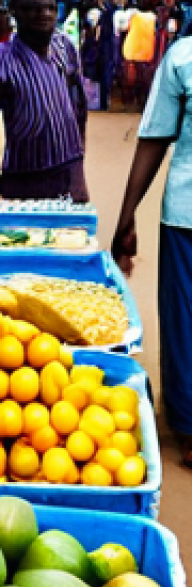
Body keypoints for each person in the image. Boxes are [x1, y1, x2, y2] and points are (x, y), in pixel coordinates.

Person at [112, 36, 192, 463]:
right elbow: (155, 138)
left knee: (186, 319)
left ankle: (189, 423)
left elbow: (156, 137)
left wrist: (127, 217)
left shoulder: (184, 55)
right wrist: (127, 217)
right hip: (186, 213)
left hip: (186, 211)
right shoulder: (182, 57)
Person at [0, 0, 89, 201]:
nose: (45, 15)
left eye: (50, 8)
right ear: (15, 12)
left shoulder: (64, 46)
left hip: (68, 168)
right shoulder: (1, 59)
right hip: (23, 175)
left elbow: (77, 100)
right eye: (33, 8)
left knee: (74, 232)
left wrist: (79, 154)